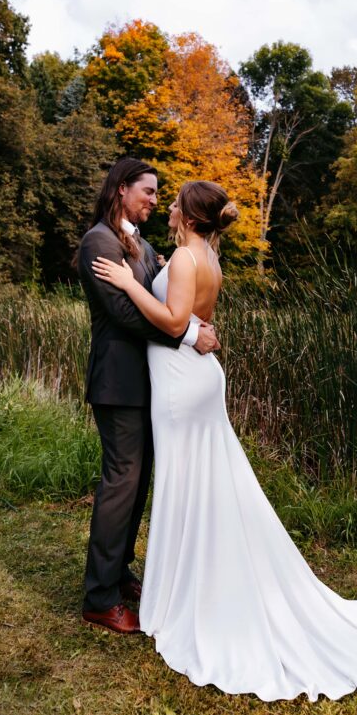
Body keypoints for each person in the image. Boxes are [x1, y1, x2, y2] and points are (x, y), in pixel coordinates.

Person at [92, 180, 357, 702]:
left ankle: (186, 594)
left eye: (174, 201)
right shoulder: (204, 256)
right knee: (208, 484)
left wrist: (131, 280)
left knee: (188, 484)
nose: (166, 205)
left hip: (180, 383)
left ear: (189, 214)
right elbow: (192, 314)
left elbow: (170, 319)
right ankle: (194, 580)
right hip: (196, 376)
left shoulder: (187, 260)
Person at [77, 159, 219, 635]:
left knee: (137, 486)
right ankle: (99, 598)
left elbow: (165, 298)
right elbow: (124, 313)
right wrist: (188, 335)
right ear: (121, 190)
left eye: (160, 194)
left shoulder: (144, 244)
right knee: (121, 484)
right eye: (149, 191)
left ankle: (119, 575)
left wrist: (191, 321)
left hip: (155, 385)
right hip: (118, 383)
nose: (156, 201)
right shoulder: (98, 242)